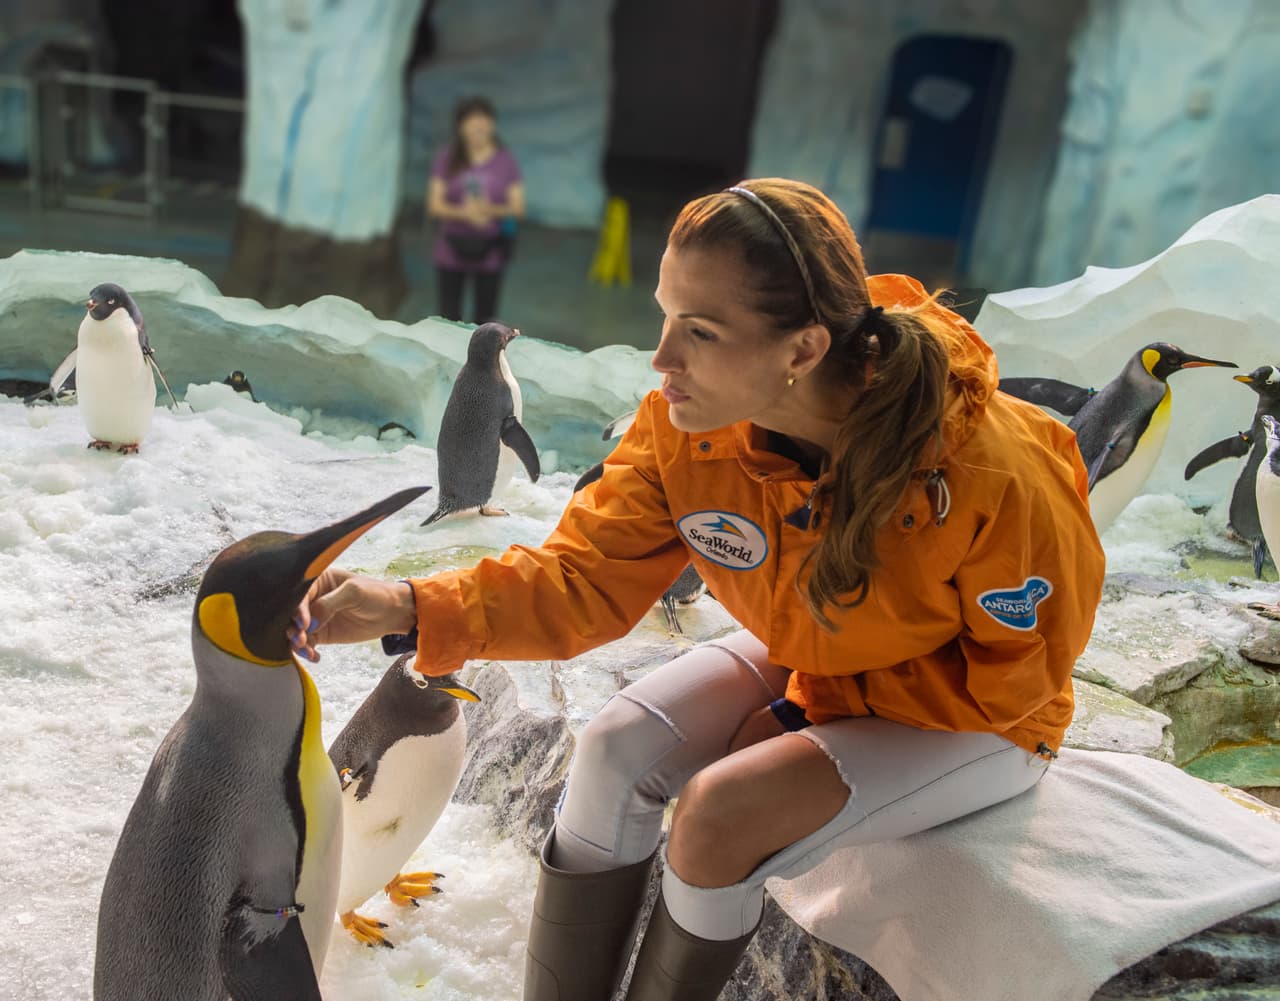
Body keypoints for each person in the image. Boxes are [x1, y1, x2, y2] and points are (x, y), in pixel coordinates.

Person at [290, 178, 1106, 1001]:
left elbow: (1025, 669)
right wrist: (406, 604)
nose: (662, 357)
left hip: (982, 717)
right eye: (666, 315)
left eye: (701, 331)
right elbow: (580, 580)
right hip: (823, 655)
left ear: (804, 350)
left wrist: (807, 713)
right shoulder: (689, 433)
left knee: (718, 816)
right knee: (612, 749)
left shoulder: (989, 468)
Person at [427, 96, 525, 323]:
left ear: (492, 124)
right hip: (451, 247)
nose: (478, 125)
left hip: (490, 249)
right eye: (471, 120)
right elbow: (434, 204)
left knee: (486, 318)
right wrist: (465, 214)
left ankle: (483, 358)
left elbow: (518, 207)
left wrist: (489, 209)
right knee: (448, 318)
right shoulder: (447, 157)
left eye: (483, 119)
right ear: (460, 126)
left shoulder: (505, 160)